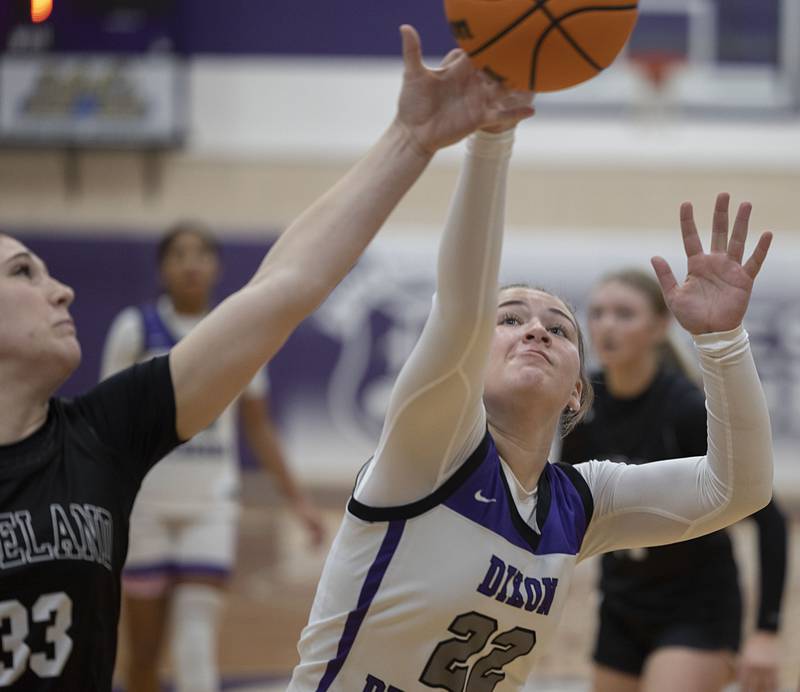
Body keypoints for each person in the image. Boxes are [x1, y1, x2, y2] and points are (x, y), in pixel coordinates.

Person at [0, 24, 532, 691]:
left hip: (204, 499)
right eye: (23, 273)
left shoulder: (100, 435)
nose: (61, 288)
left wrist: (412, 138)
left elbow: (286, 289)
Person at [287, 52, 775, 692]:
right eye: (511, 318)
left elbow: (736, 491)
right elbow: (461, 309)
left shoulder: (579, 503)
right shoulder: (428, 453)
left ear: (578, 388)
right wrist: (492, 139)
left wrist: (722, 342)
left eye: (559, 327)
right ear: (468, 354)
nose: (537, 329)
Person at [100, 222, 327, 692]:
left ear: (216, 266)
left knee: (196, 642)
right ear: (163, 267)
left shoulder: (239, 331)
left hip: (210, 505)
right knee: (142, 656)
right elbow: (105, 418)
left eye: (200, 254)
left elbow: (259, 425)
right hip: (144, 506)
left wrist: (298, 502)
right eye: (179, 255)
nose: (190, 264)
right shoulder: (135, 329)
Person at [560, 268, 788, 692]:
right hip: (622, 605)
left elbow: (768, 518)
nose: (607, 325)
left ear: (660, 326)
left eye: (624, 314)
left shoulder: (685, 408)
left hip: (696, 606)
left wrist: (766, 633)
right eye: (598, 313)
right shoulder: (581, 408)